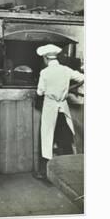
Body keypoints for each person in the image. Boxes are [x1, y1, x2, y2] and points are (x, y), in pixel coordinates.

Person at [35, 44, 84, 178]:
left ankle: (45, 173)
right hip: (63, 109)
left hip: (50, 109)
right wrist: (70, 88)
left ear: (46, 58)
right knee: (65, 139)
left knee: (47, 139)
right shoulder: (66, 70)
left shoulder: (44, 72)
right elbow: (83, 78)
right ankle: (67, 172)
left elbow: (40, 92)